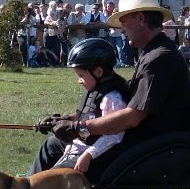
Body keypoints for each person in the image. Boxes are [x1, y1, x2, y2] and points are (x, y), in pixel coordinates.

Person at [30, 0, 190, 177]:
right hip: (144, 142)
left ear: (141, 18)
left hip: (150, 147)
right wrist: (66, 120)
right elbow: (119, 111)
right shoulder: (152, 53)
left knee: (58, 178)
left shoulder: (159, 58)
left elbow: (131, 117)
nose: (121, 28)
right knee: (54, 144)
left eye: (124, 21)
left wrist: (78, 127)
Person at [36, 39, 131, 177]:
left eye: (81, 75)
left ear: (98, 71)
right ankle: (25, 187)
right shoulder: (96, 89)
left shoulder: (112, 98)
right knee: (51, 144)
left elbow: (115, 135)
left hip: (97, 156)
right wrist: (60, 120)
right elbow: (89, 116)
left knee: (50, 180)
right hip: (80, 146)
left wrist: (89, 154)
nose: (79, 80)